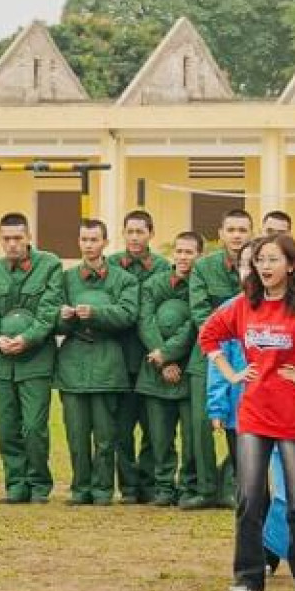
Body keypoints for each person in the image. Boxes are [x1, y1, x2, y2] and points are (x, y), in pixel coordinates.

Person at [200, 234, 295, 591]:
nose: (265, 266)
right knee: (249, 499)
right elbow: (208, 335)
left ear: (291, 265)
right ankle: (248, 579)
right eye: (260, 260)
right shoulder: (244, 305)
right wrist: (230, 373)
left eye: (273, 259)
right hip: (254, 415)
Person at [55, 219, 141, 505]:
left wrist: (95, 313)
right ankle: (80, 488)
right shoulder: (66, 279)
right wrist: (63, 318)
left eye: (94, 240)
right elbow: (50, 314)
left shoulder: (124, 280)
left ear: (105, 242)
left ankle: (103, 488)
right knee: (76, 433)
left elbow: (128, 314)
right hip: (73, 360)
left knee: (106, 434)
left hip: (108, 359)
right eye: (84, 240)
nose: (89, 245)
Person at [0, 212, 64, 504]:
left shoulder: (50, 265)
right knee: (7, 428)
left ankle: (39, 484)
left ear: (29, 237)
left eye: (18, 238)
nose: (12, 244)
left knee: (34, 427)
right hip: (1, 361)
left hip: (36, 360)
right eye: (6, 239)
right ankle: (15, 484)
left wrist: (27, 339)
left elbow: (49, 310)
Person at [185, 208, 254, 509]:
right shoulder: (205, 268)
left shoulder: (260, 262)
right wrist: (223, 332)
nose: (237, 235)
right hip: (210, 353)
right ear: (221, 234)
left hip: (250, 356)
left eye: (243, 230)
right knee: (204, 424)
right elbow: (200, 312)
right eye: (232, 230)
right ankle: (205, 488)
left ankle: (234, 488)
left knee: (245, 426)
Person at [137, 232, 202, 506]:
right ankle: (163, 485)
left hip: (187, 368)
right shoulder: (154, 284)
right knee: (159, 435)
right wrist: (162, 358)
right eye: (180, 251)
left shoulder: (200, 286)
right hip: (155, 368)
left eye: (189, 252)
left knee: (190, 436)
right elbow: (145, 320)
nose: (183, 257)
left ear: (199, 255)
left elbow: (194, 324)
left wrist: (170, 353)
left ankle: (188, 484)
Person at [114, 209, 170, 503]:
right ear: (123, 233)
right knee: (121, 430)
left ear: (150, 234)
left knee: (153, 428)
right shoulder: (111, 265)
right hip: (120, 360)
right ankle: (128, 486)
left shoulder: (163, 268)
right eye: (130, 232)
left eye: (140, 232)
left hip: (153, 358)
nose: (135, 238)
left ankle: (149, 483)